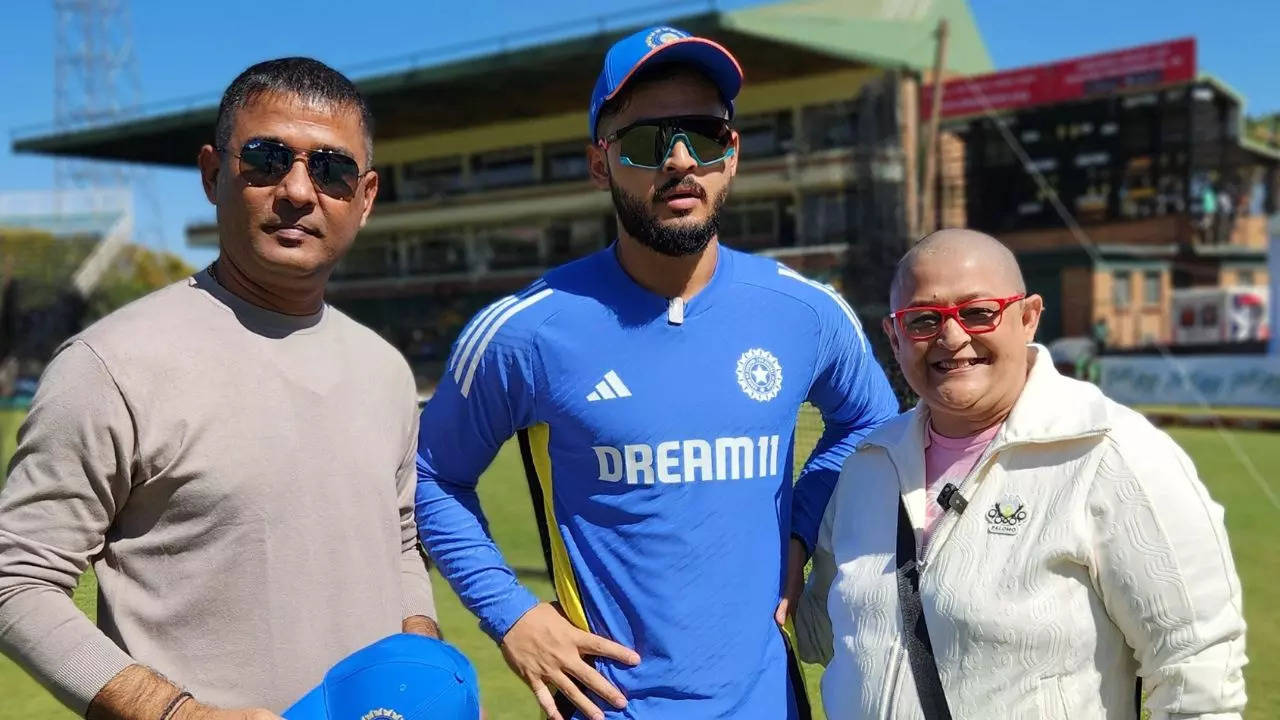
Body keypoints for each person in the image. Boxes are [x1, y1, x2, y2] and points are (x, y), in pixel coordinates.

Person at [414, 25, 898, 720]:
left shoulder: (805, 312)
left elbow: (869, 422)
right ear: (599, 164)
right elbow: (432, 474)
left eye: (701, 135)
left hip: (771, 702)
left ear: (730, 156)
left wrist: (800, 529)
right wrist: (511, 615)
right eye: (646, 142)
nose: (679, 161)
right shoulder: (526, 329)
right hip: (612, 706)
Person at [0, 58, 438, 720]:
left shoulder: (385, 369)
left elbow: (399, 541)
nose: (297, 190)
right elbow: (16, 580)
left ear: (365, 196)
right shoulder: (111, 366)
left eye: (331, 169)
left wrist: (423, 666)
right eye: (266, 159)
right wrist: (176, 713)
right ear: (212, 174)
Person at [796, 229, 1247, 719]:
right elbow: (823, 633)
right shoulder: (868, 465)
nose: (952, 336)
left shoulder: (1108, 452)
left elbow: (1197, 671)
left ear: (1028, 317)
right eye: (924, 320)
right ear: (894, 336)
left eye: (978, 312)